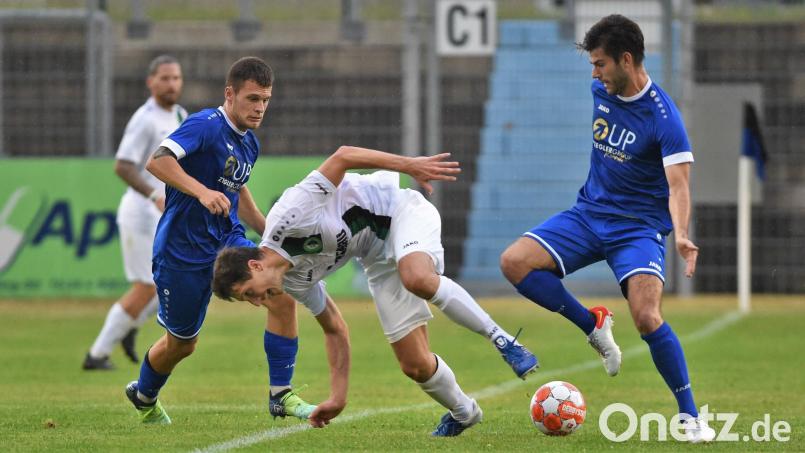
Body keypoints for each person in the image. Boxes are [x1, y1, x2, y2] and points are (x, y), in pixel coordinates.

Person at [212, 145, 539, 436]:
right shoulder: (294, 282)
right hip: (375, 257)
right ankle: (465, 412)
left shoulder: (289, 214)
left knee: (417, 278)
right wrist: (338, 397)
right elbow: (334, 327)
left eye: (249, 292)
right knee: (415, 365)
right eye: (247, 301)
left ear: (255, 266)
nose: (257, 302)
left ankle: (503, 340)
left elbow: (343, 156)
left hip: (400, 213)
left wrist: (409, 165)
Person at [498, 15, 715, 443]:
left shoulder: (665, 120)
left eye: (599, 63)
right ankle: (593, 326)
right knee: (514, 263)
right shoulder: (602, 90)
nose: (594, 73)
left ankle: (690, 418)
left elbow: (679, 185)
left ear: (626, 60)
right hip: (588, 215)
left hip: (637, 230)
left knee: (647, 317)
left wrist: (682, 233)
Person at [124, 56, 321, 426]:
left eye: (265, 100)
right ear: (230, 94)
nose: (260, 108)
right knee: (183, 344)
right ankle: (144, 394)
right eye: (252, 99)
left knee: (278, 293)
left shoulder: (249, 144)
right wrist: (200, 192)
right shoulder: (205, 125)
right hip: (181, 252)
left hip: (227, 242)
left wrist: (266, 228)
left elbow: (235, 188)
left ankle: (281, 394)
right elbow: (157, 161)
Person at [83, 55, 186, 371]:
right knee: (147, 286)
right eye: (165, 78)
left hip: (163, 212)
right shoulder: (145, 119)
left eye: (176, 78)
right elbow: (123, 166)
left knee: (171, 279)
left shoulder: (181, 114)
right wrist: (154, 193)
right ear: (151, 82)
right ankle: (97, 354)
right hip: (140, 212)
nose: (171, 84)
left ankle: (130, 327)